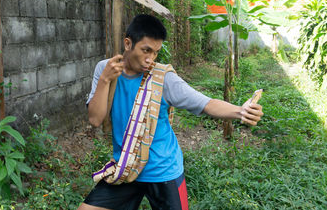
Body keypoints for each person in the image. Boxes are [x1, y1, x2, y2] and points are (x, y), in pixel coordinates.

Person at [78, 14, 263, 210]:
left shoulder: (162, 79)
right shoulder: (106, 69)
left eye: (156, 53)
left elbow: (204, 103)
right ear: (127, 44)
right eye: (145, 50)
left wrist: (240, 111)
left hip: (163, 170)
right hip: (126, 167)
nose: (150, 59)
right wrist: (105, 80)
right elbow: (95, 120)